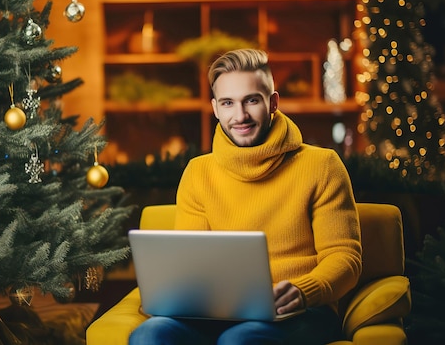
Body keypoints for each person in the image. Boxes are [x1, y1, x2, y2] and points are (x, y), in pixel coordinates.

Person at [129, 49, 362, 345]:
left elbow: (346, 258)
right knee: (150, 335)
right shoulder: (198, 173)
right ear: (215, 108)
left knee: (239, 340)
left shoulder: (322, 165)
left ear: (273, 102)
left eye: (251, 100)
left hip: (301, 313)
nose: (240, 116)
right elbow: (193, 266)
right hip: (219, 315)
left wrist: (305, 290)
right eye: (228, 103)